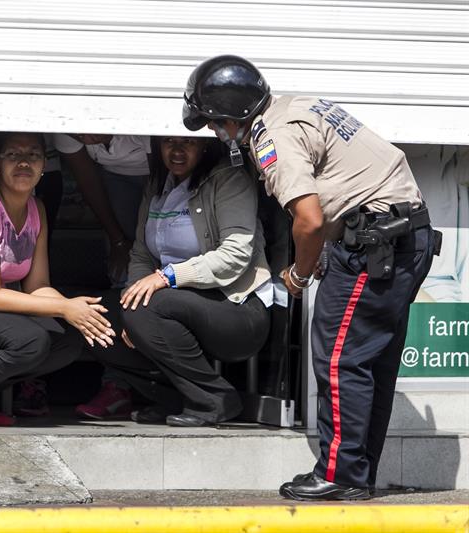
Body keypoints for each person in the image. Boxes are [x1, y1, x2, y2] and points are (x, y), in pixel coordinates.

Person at [182, 55, 438, 500]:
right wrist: (327, 249)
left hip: (375, 248)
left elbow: (309, 219)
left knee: (340, 360)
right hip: (404, 238)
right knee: (371, 363)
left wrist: (300, 273)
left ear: (233, 115)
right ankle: (357, 473)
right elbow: (345, 185)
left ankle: (339, 474)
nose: (214, 133)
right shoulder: (300, 105)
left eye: (214, 123)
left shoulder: (271, 137)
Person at [89, 135, 273, 426]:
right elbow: (140, 255)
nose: (176, 150)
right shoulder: (157, 184)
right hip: (174, 304)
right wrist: (131, 299)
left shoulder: (229, 179)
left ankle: (215, 399)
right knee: (96, 316)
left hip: (236, 309)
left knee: (147, 309)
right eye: (168, 142)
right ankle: (175, 399)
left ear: (204, 145)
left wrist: (166, 277)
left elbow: (235, 255)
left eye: (186, 143)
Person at [0, 131, 116, 416]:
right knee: (32, 341)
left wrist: (81, 311)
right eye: (13, 155)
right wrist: (64, 306)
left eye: (33, 155)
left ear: (45, 164)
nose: (24, 163)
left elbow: (38, 285)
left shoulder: (36, 207)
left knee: (70, 338)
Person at [54, 133, 152, 419]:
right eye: (77, 134)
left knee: (155, 277)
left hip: (159, 177)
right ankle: (117, 386)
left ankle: (165, 386)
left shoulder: (136, 121)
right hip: (114, 183)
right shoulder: (67, 126)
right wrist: (118, 241)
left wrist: (145, 247)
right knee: (122, 281)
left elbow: (162, 180)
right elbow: (88, 180)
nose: (83, 137)